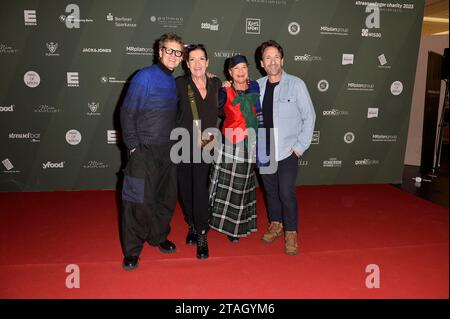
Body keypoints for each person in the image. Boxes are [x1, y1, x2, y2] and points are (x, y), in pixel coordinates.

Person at [120, 32, 184, 270]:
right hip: (143, 150)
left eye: (178, 52)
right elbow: (127, 113)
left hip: (167, 149)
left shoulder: (173, 82)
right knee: (138, 200)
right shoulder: (144, 77)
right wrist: (134, 146)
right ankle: (132, 250)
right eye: (169, 50)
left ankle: (157, 236)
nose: (173, 56)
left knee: (165, 198)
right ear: (159, 52)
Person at [257, 40, 316, 255]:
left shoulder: (296, 84)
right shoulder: (258, 86)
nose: (272, 61)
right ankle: (276, 224)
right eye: (267, 58)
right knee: (270, 191)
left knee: (286, 192)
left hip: (288, 149)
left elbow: (309, 116)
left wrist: (299, 147)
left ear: (282, 60)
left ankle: (291, 231)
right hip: (264, 147)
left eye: (275, 57)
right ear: (262, 63)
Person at [209, 54, 263, 243]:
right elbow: (215, 106)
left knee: (241, 189)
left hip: (249, 144)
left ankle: (235, 228)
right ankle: (214, 220)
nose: (240, 72)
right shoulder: (225, 91)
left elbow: (256, 107)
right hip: (229, 144)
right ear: (230, 73)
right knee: (222, 186)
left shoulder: (255, 87)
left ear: (248, 70)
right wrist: (215, 84)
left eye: (244, 68)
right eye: (236, 69)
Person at [175, 44, 222, 259]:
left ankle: (202, 232)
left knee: (200, 188)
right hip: (183, 143)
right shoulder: (178, 84)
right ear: (186, 63)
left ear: (207, 62)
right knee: (185, 189)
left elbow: (224, 107)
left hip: (206, 144)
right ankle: (192, 224)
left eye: (201, 59)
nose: (197, 63)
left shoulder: (215, 83)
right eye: (192, 59)